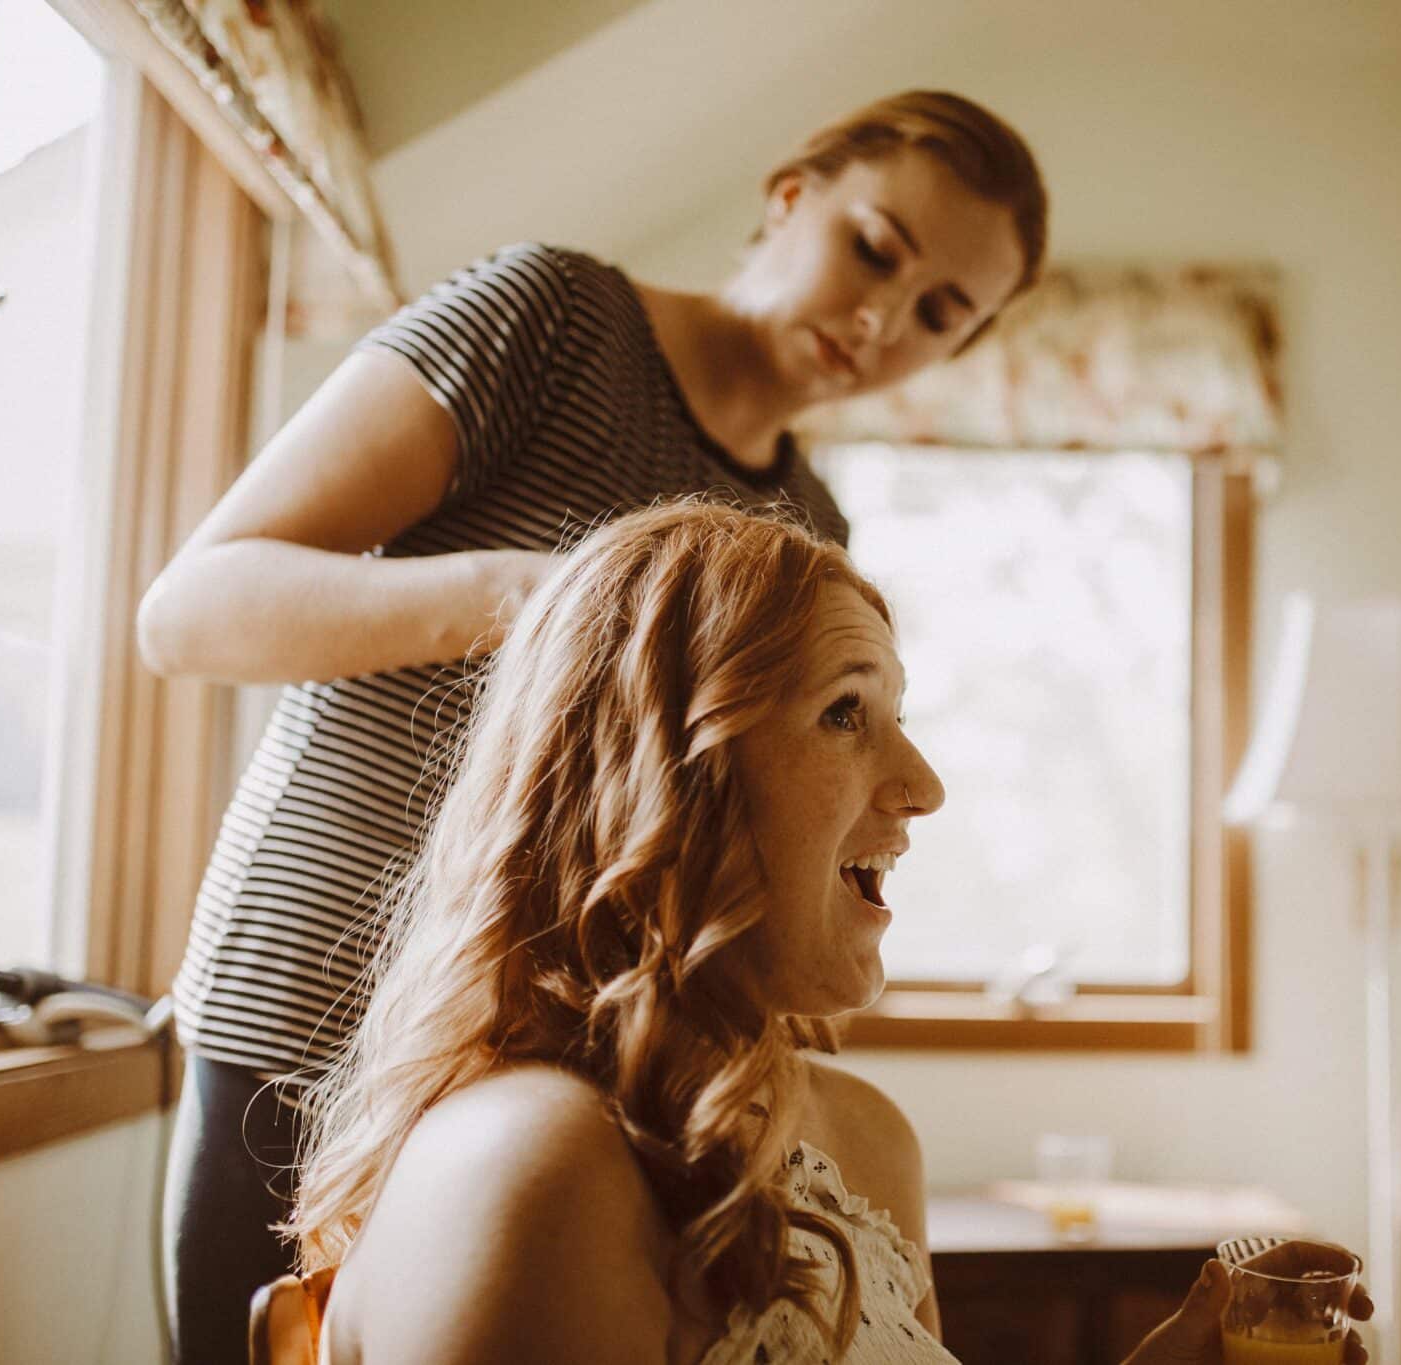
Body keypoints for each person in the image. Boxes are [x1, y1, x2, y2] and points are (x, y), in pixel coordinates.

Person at [138, 90, 1049, 1365]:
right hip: (313, 1010)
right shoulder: (550, 321)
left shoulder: (807, 528)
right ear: (790, 195)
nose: (879, 317)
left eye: (939, 313)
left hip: (596, 1048)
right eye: (875, 249)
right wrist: (542, 601)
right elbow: (192, 613)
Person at [282, 499, 1370, 1365]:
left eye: (898, 716)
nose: (923, 785)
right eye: (846, 713)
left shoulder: (864, 1142)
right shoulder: (531, 1169)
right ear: (668, 782)